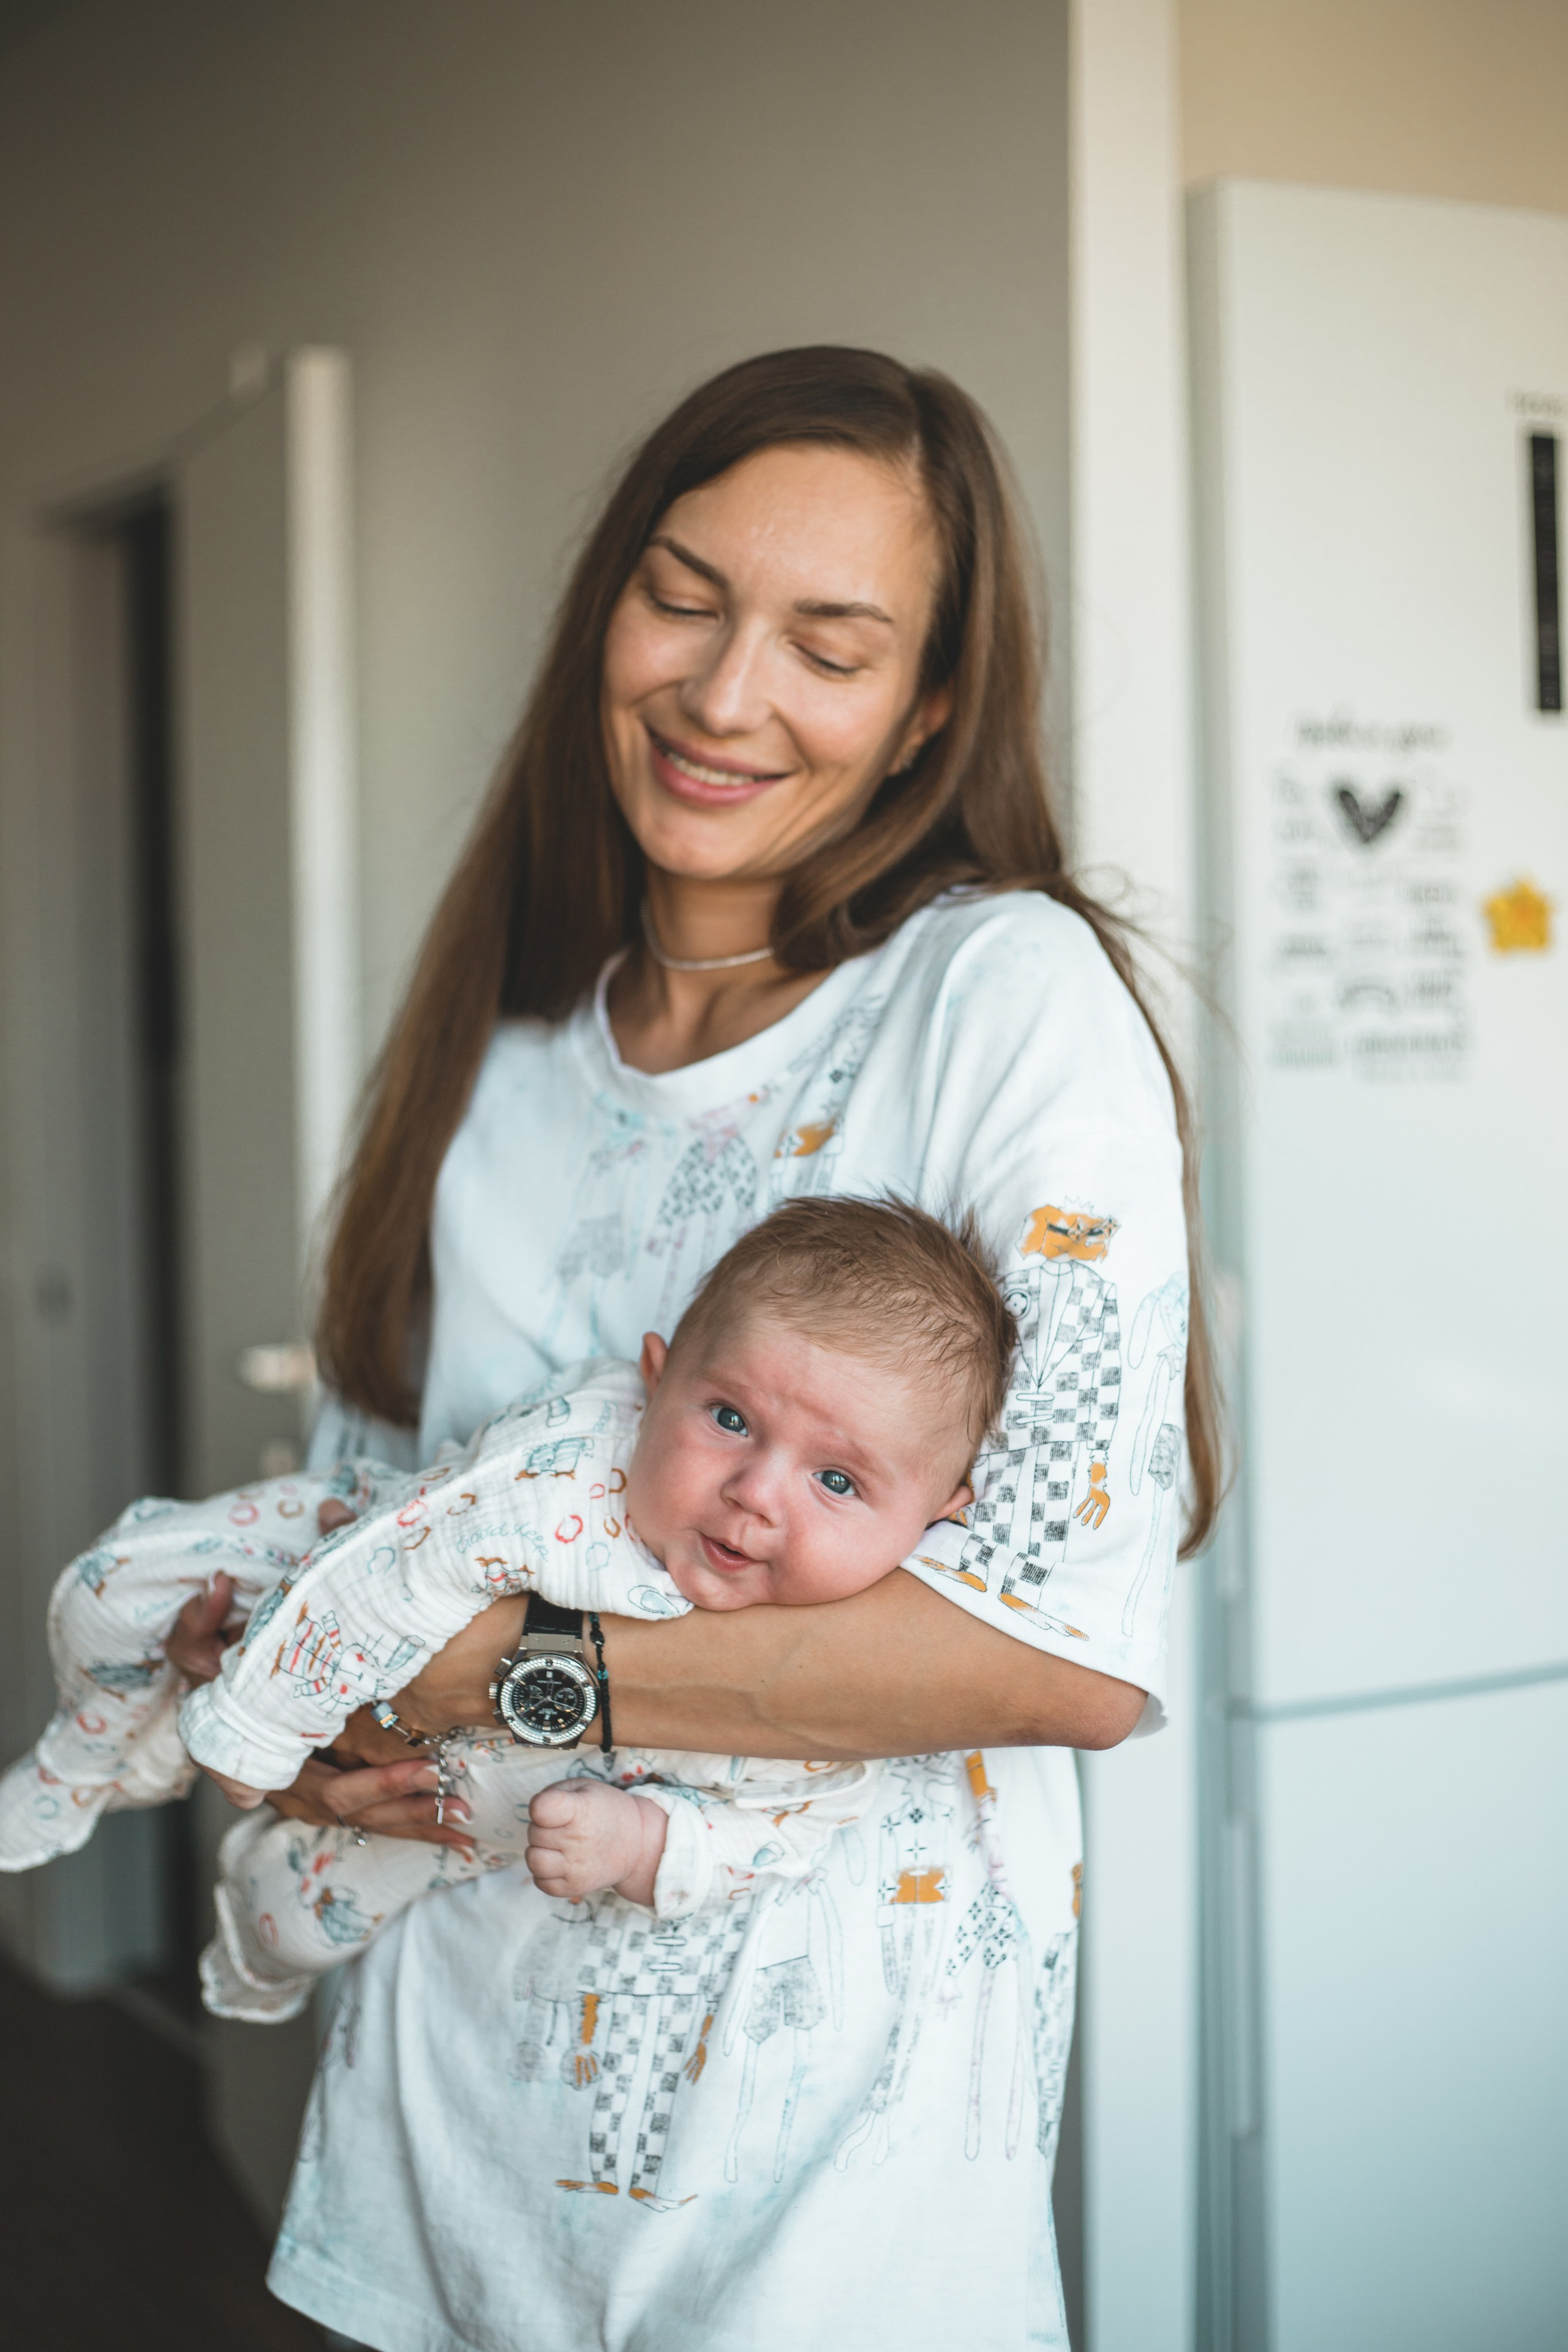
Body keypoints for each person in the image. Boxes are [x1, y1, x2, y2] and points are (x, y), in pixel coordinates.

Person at [170, 345, 1221, 2352]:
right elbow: (389, 1537)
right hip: (441, 2175)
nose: (726, 695)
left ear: (926, 712)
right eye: (683, 595)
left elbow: (1060, 1660)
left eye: (830, 645)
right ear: (607, 611)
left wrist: (492, 1674)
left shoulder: (996, 999)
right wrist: (306, 1693)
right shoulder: (503, 1062)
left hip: (820, 2226)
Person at [0, 1199, 1005, 2003]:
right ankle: (86, 1762)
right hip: (347, 1563)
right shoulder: (568, 1472)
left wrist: (641, 1844)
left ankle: (225, 1919)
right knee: (113, 1587)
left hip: (446, 1813)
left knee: (288, 1931)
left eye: (838, 1483)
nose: (756, 1494)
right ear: (656, 1381)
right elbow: (392, 1577)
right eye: (731, 1417)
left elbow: (786, 1828)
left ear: (937, 1516)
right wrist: (262, 1727)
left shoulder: (850, 1684)